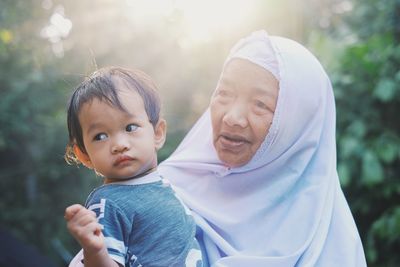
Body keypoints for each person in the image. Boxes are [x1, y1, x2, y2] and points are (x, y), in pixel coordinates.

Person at [69, 31, 367, 266]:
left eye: (260, 104)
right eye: (224, 93)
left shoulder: (326, 237)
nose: (232, 117)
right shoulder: (159, 186)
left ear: (297, 123)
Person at [64, 67, 203, 267]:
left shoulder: (162, 183)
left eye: (130, 127)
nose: (119, 144)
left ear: (157, 133)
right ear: (84, 155)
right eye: (100, 136)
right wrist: (95, 251)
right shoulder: (108, 202)